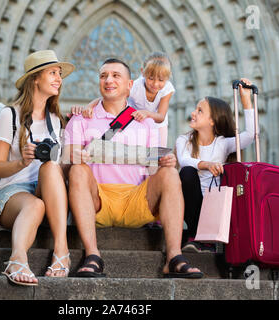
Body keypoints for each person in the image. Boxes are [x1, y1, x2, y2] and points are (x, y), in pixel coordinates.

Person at [63, 58, 203, 279]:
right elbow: (66, 156)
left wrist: (164, 163)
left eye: (116, 75)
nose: (108, 80)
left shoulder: (146, 122)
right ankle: (92, 255)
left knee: (169, 173)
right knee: (77, 170)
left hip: (137, 200)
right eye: (103, 76)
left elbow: (153, 171)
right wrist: (75, 156)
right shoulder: (82, 118)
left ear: (130, 85)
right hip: (97, 200)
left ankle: (174, 257)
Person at [0, 50, 75, 286]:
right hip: (13, 194)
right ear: (35, 78)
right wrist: (22, 161)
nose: (59, 78)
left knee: (49, 168)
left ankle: (62, 251)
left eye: (60, 73)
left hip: (46, 192)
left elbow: (59, 169)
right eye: (53, 73)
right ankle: (17, 259)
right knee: (35, 205)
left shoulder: (56, 120)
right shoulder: (10, 115)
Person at [176, 78, 255, 253]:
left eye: (200, 110)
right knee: (187, 173)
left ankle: (204, 238)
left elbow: (250, 135)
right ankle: (196, 234)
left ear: (212, 121)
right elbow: (183, 160)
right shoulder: (184, 140)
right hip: (192, 203)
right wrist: (206, 164)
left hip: (215, 203)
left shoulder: (223, 144)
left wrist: (246, 99)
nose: (193, 113)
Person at [70, 52, 175, 147]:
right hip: (132, 116)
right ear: (143, 73)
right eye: (151, 78)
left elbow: (161, 117)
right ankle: (101, 146)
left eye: (161, 80)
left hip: (156, 120)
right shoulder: (136, 87)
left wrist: (146, 113)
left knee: (159, 153)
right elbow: (111, 96)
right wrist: (89, 106)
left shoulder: (167, 89)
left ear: (167, 79)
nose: (155, 84)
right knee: (113, 135)